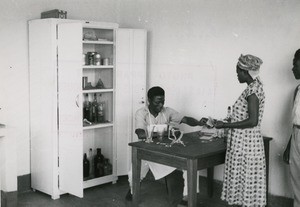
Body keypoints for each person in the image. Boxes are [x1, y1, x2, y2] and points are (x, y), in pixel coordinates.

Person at [126, 86, 207, 207]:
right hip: (145, 151)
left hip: (163, 150)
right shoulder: (141, 113)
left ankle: (186, 198)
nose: (161, 105)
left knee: (189, 165)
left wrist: (198, 122)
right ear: (149, 100)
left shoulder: (167, 111)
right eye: (157, 102)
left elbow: (185, 119)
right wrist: (166, 131)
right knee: (134, 176)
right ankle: (133, 191)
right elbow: (141, 133)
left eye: (163, 101)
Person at [215, 54, 266, 207]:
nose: (236, 74)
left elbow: (252, 121)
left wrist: (225, 126)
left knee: (245, 180)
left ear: (245, 72)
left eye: (238, 71)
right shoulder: (253, 87)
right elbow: (245, 116)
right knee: (244, 182)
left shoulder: (252, 91)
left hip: (246, 144)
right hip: (243, 142)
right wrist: (227, 121)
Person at [283, 49, 300, 207]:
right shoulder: (297, 90)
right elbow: (295, 121)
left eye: (295, 65)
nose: (292, 68)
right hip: (296, 135)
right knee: (295, 177)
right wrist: (290, 145)